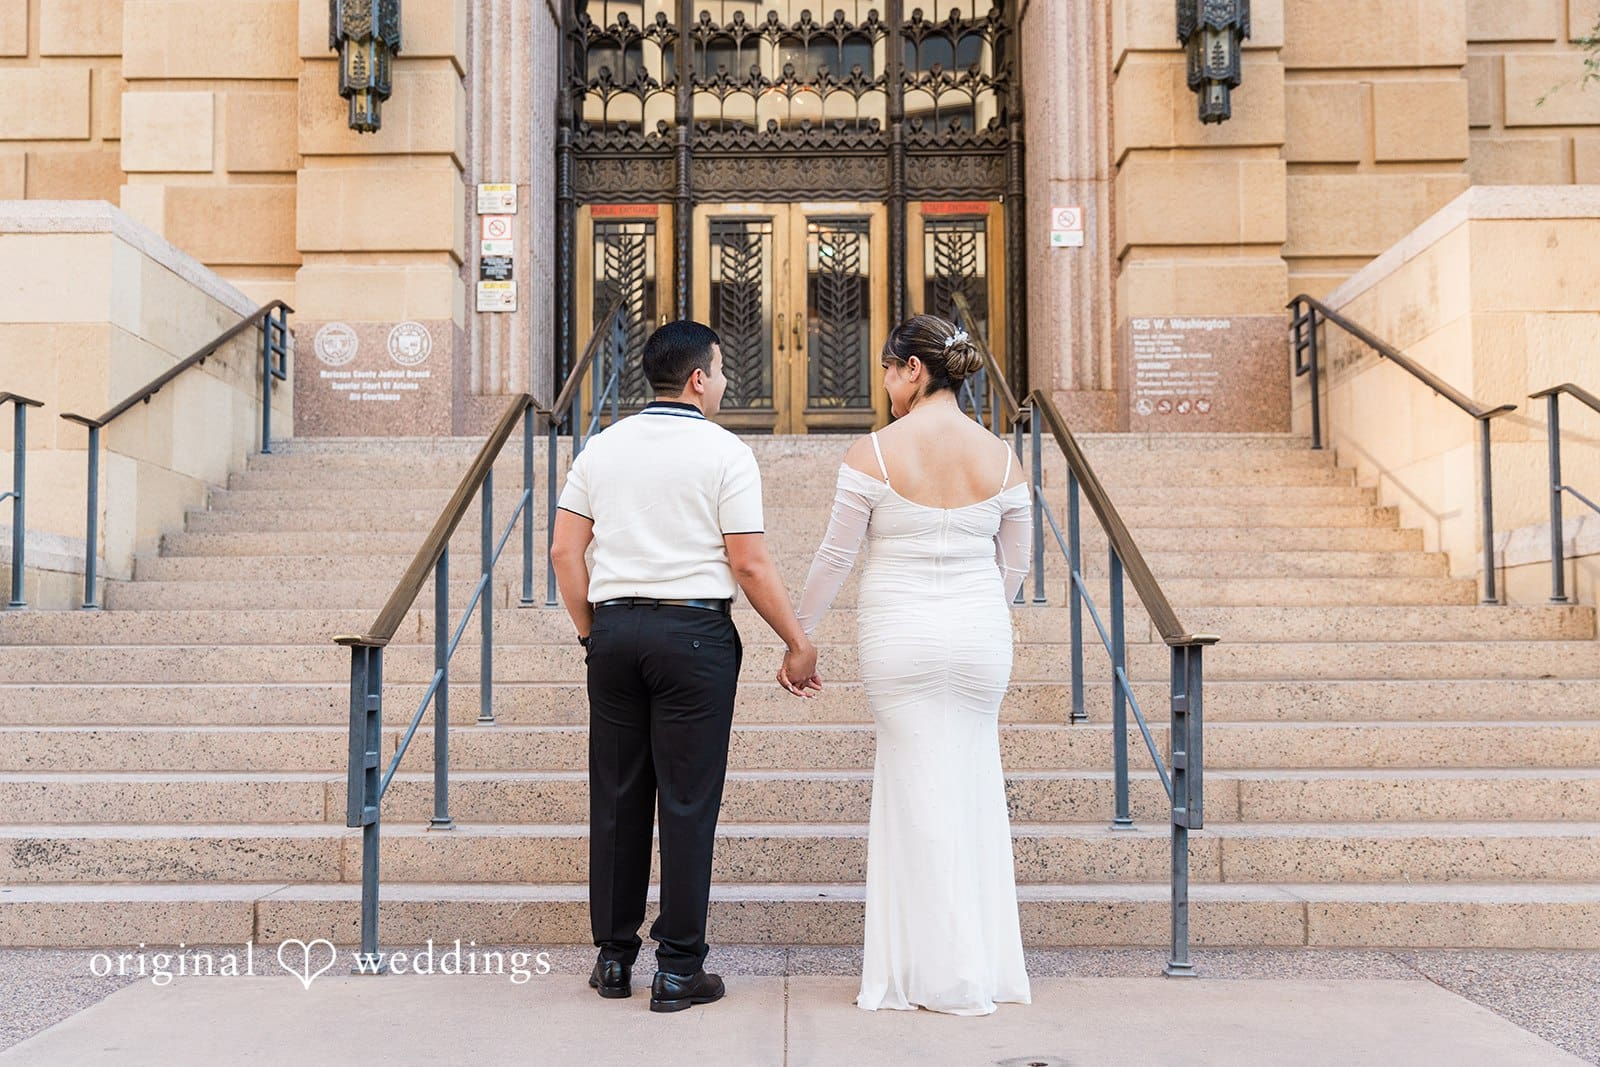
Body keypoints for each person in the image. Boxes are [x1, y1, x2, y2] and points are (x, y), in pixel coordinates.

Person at [550, 320, 821, 1013]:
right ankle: (677, 969)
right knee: (687, 801)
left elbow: (563, 553)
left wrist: (592, 633)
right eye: (722, 370)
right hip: (694, 634)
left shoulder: (600, 448)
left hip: (614, 629)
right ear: (698, 378)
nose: (725, 383)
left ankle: (614, 960)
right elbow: (749, 561)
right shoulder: (724, 452)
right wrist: (796, 639)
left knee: (616, 796)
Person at [787, 313, 1033, 1015]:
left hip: (900, 635)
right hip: (979, 635)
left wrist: (799, 635)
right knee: (973, 785)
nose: (887, 383)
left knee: (916, 796)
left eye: (890, 369)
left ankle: (933, 971)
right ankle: (978, 965)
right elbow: (1012, 564)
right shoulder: (1004, 457)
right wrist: (978, 611)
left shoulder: (875, 452)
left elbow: (836, 557)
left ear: (914, 370)